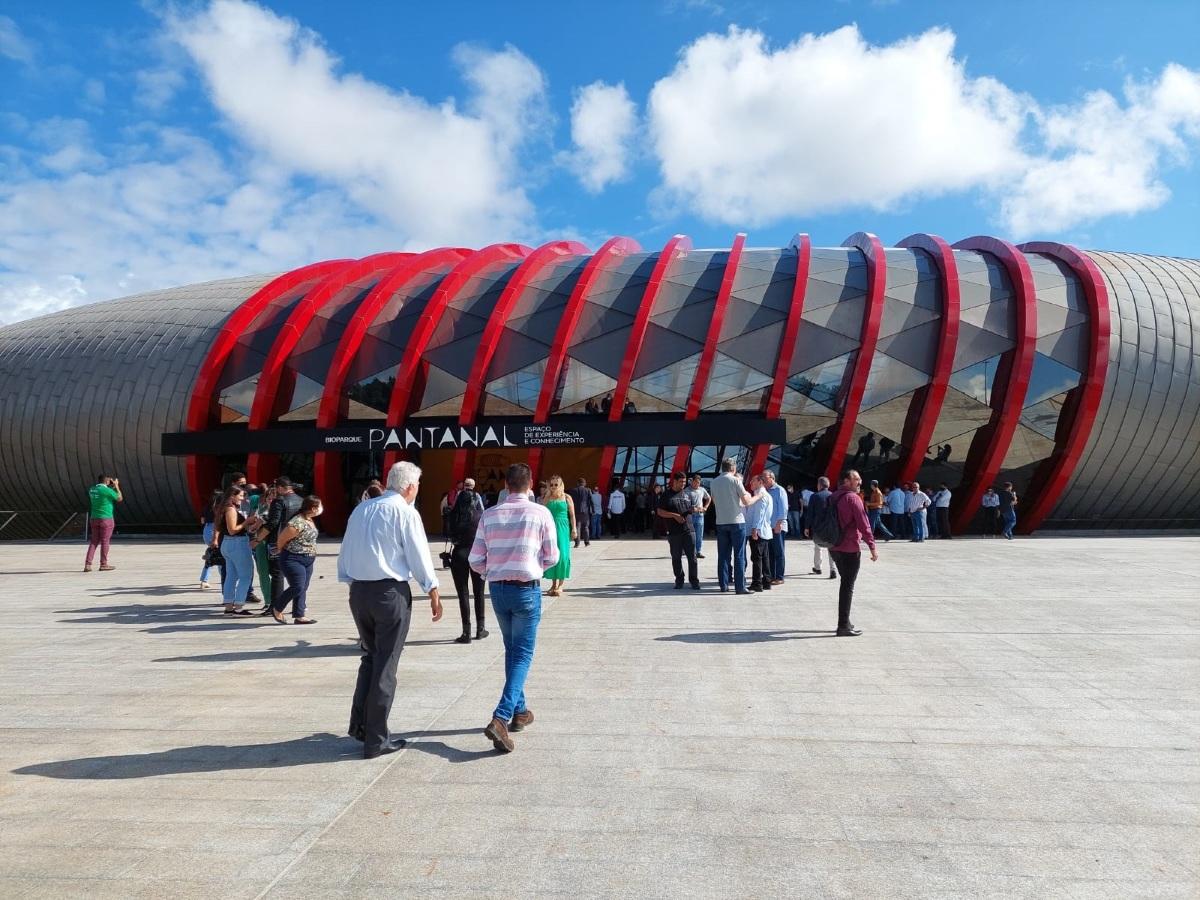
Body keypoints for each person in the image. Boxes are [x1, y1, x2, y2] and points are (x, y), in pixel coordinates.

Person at [337, 461, 442, 759]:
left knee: (370, 658)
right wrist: (432, 589)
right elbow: (418, 553)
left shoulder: (362, 509)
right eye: (417, 486)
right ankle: (376, 738)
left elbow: (346, 551)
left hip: (359, 591)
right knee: (386, 663)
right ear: (409, 486)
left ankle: (360, 726)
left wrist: (350, 581)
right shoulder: (405, 512)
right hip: (388, 593)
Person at [469, 463, 558, 753]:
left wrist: (491, 572)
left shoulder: (490, 514)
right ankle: (502, 716)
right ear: (531, 484)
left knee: (512, 650)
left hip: (498, 590)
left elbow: (475, 558)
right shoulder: (540, 513)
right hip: (526, 590)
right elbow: (552, 556)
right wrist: (533, 568)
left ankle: (520, 711)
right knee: (522, 654)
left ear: (506, 485)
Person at [827, 470, 879, 636]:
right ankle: (843, 625)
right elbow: (864, 524)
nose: (860, 482)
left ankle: (846, 622)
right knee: (847, 586)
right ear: (847, 481)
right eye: (856, 479)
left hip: (833, 546)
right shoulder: (853, 498)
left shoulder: (833, 496)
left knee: (845, 582)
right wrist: (872, 546)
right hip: (849, 547)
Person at [709, 457, 760, 594]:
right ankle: (740, 587)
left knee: (723, 555)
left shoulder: (714, 482)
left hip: (721, 522)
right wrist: (758, 496)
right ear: (733, 468)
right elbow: (747, 501)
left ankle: (723, 585)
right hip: (737, 522)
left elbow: (713, 501)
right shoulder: (736, 480)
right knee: (739, 555)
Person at [271, 495, 322, 624]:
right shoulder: (297, 522)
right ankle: (277, 608)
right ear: (312, 508)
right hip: (293, 558)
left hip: (308, 559)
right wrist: (282, 549)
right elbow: (281, 539)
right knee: (297, 586)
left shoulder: (309, 519)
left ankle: (299, 615)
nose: (321, 509)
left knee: (303, 587)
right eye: (319, 506)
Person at [448, 478, 488, 643]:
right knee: (479, 592)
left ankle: (466, 631)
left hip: (459, 554)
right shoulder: (480, 516)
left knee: (462, 593)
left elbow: (449, 535)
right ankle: (480, 628)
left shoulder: (454, 515)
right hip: (477, 554)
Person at [213, 484, 261, 615]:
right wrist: (247, 522)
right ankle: (239, 606)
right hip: (237, 543)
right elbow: (233, 530)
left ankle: (229, 606)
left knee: (231, 575)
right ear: (232, 496)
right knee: (246, 575)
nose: (243, 498)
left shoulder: (223, 508)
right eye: (240, 496)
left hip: (228, 544)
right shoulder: (230, 510)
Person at [261, 477, 301, 616]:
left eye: (277, 488)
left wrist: (258, 538)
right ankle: (300, 607)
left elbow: (273, 523)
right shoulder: (300, 500)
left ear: (281, 487)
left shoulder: (279, 501)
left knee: (277, 574)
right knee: (296, 576)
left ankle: (275, 606)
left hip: (277, 541)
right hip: (295, 541)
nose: (276, 490)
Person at [657, 471, 700, 590]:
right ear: (674, 481)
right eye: (681, 482)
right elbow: (660, 512)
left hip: (689, 530)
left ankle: (694, 581)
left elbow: (689, 509)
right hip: (674, 532)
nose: (683, 484)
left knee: (693, 557)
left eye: (685, 482)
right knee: (676, 558)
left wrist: (694, 509)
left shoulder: (687, 494)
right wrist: (674, 515)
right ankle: (679, 580)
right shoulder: (666, 495)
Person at [542, 476, 576, 597]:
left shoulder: (567, 497)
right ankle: (553, 584)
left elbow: (572, 515)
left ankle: (560, 584)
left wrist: (574, 530)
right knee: (552, 554)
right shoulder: (547, 497)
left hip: (563, 527)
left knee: (562, 554)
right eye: (551, 485)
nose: (553, 487)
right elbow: (542, 512)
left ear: (561, 485)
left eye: (556, 484)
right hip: (550, 528)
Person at [84, 474, 123, 572]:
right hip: (106, 518)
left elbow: (102, 494)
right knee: (105, 541)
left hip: (94, 518)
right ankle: (103, 564)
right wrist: (117, 486)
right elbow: (119, 498)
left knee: (94, 541)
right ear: (107, 481)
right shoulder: (107, 491)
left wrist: (110, 487)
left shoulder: (92, 489)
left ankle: (88, 564)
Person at [745, 474, 773, 592]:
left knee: (756, 558)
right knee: (764, 557)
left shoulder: (761, 495)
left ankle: (757, 583)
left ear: (760, 482)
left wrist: (754, 529)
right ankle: (766, 581)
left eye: (753, 481)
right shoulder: (765, 495)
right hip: (764, 531)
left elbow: (759, 514)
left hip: (759, 531)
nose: (751, 483)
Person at [804, 477, 837, 579]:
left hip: (818, 527)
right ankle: (833, 570)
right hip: (831, 527)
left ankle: (818, 568)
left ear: (820, 485)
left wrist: (806, 527)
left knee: (818, 547)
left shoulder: (815, 496)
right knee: (831, 547)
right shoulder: (833, 496)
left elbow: (810, 513)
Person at [763, 471, 788, 583]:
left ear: (772, 478)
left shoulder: (780, 490)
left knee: (779, 552)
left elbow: (784, 509)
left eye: (765, 477)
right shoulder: (765, 491)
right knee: (770, 553)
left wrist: (778, 524)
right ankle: (771, 576)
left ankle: (779, 577)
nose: (763, 479)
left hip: (778, 527)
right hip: (768, 527)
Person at [683, 475, 711, 558]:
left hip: (699, 515)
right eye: (695, 482)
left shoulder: (702, 490)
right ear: (692, 481)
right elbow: (683, 502)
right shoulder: (686, 490)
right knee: (689, 534)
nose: (697, 484)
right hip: (690, 516)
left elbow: (709, 498)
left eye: (698, 483)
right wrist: (690, 508)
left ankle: (698, 551)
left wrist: (705, 507)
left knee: (699, 535)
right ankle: (688, 550)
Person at [199, 486, 217, 589]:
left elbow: (202, 520)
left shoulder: (206, 507)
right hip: (215, 530)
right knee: (218, 556)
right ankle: (204, 580)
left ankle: (204, 580)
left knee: (213, 555)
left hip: (207, 529)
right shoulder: (219, 508)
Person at [568, 477, 593, 548]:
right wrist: (593, 510)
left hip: (576, 511)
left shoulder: (573, 490)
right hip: (585, 511)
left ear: (577, 483)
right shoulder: (588, 490)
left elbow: (570, 501)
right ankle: (587, 542)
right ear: (584, 483)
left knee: (577, 527)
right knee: (585, 527)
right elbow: (591, 501)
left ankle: (577, 543)